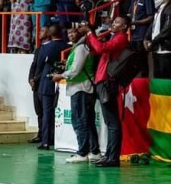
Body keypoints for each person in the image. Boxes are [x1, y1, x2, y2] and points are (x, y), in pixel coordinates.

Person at [83, 16, 130, 168]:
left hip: (108, 82)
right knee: (110, 121)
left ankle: (113, 157)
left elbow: (101, 48)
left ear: (124, 27)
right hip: (103, 81)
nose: (113, 24)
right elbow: (97, 50)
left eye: (117, 22)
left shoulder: (121, 38)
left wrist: (90, 34)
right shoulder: (114, 37)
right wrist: (91, 37)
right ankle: (109, 155)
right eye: (114, 21)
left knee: (112, 122)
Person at [52, 26, 101, 163]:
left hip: (81, 88)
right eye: (69, 32)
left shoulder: (80, 48)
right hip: (81, 88)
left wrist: (60, 75)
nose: (71, 34)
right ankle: (94, 151)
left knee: (80, 120)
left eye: (74, 32)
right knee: (88, 121)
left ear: (81, 34)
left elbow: (75, 70)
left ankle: (82, 152)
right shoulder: (79, 47)